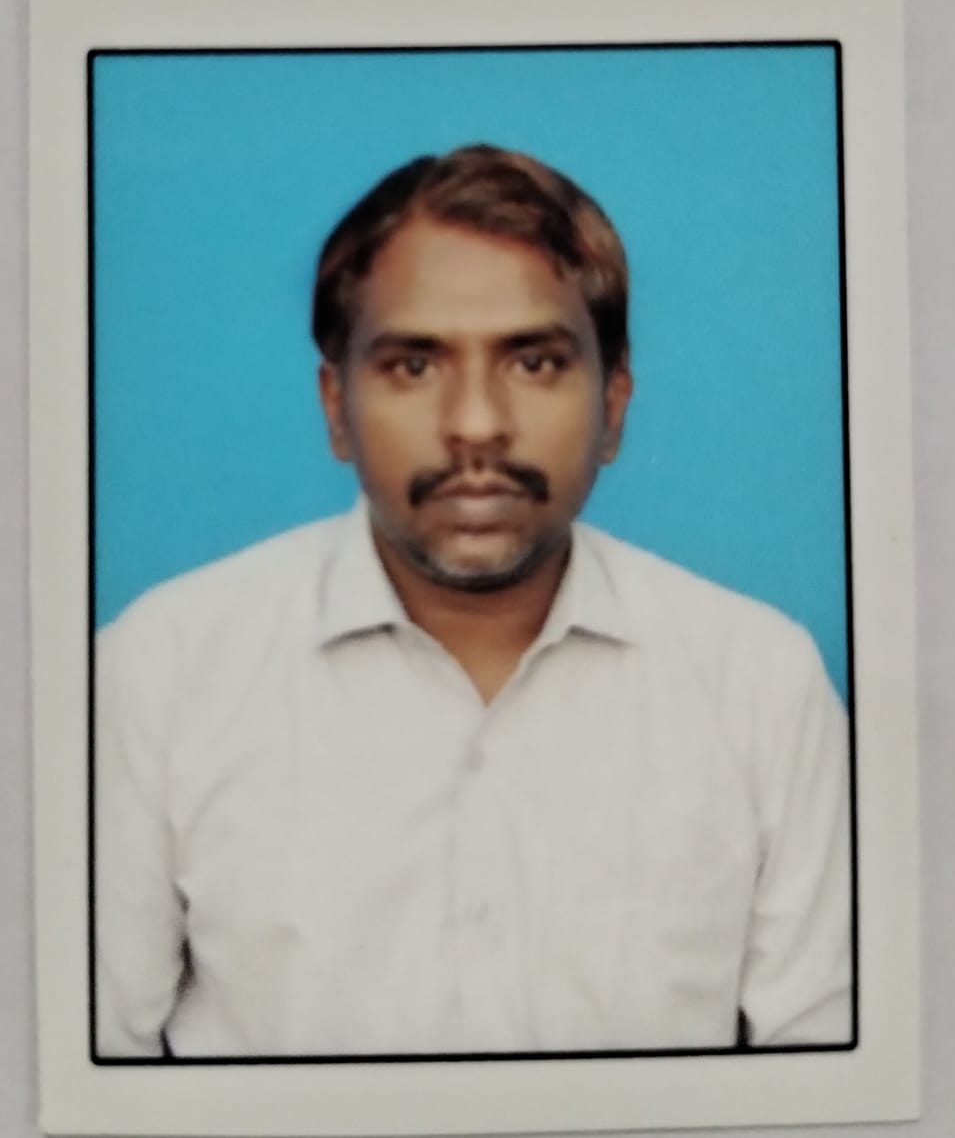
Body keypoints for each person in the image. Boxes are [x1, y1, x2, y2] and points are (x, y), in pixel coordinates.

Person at [95, 144, 852, 1059]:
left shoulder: (761, 684)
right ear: (335, 407)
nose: (477, 425)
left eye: (534, 361)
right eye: (414, 366)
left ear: (615, 403)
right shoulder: (162, 670)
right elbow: (81, 1078)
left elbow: (834, 1085)